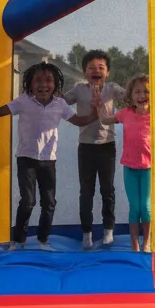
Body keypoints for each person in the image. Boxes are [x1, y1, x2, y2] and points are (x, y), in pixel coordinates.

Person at [0, 62, 98, 250]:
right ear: (29, 84)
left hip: (48, 160)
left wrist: (96, 112)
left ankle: (42, 240)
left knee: (49, 202)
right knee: (28, 201)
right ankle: (20, 240)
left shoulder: (60, 104)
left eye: (48, 80)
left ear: (55, 85)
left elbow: (79, 121)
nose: (43, 85)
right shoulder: (23, 101)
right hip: (26, 159)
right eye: (37, 81)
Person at [63, 51, 126, 250]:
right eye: (91, 67)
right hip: (86, 147)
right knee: (86, 191)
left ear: (107, 72)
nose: (96, 71)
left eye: (101, 68)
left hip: (107, 145)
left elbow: (131, 96)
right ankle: (87, 233)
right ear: (84, 72)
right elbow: (61, 102)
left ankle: (108, 231)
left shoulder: (112, 89)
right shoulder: (79, 89)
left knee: (107, 190)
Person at [94, 73, 152, 253]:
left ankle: (147, 242)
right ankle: (135, 243)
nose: (141, 96)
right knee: (135, 206)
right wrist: (99, 106)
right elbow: (105, 120)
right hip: (130, 167)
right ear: (130, 96)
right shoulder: (126, 113)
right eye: (137, 92)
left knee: (146, 207)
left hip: (150, 167)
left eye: (146, 92)